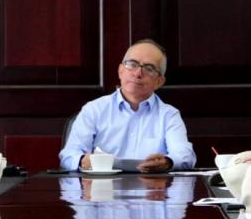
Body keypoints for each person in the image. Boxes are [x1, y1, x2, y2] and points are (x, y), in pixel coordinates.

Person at [59, 39, 196, 172]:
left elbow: (185, 156)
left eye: (149, 68)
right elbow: (69, 155)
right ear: (120, 71)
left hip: (152, 186)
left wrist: (167, 162)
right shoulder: (94, 110)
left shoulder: (169, 115)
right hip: (101, 186)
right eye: (132, 64)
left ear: (159, 82)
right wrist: (83, 161)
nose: (138, 74)